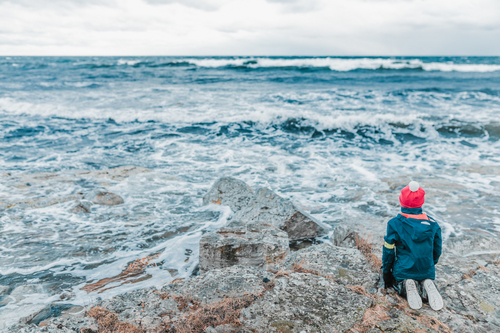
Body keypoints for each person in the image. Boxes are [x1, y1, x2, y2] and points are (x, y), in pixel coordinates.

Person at [381, 181, 443, 311]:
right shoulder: (433, 224)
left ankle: (406, 284)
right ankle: (427, 283)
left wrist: (387, 272)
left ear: (401, 201)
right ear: (421, 202)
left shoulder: (394, 224)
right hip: (427, 269)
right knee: (424, 276)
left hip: (404, 270)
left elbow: (388, 250)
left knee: (398, 282)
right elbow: (437, 250)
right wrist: (431, 264)